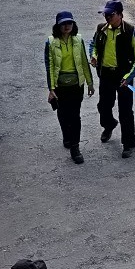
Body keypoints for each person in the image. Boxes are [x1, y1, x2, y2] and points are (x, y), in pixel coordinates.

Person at [89, 0, 135, 159]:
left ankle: (128, 144)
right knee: (103, 107)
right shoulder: (101, 29)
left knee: (125, 111)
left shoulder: (131, 31)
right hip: (106, 74)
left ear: (120, 15)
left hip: (124, 78)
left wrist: (129, 76)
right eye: (105, 14)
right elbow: (93, 44)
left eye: (110, 15)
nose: (107, 17)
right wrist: (94, 56)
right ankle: (109, 125)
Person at [43, 12, 95, 164]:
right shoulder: (50, 42)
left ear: (73, 25)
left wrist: (90, 83)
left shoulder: (78, 40)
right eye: (63, 24)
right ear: (58, 26)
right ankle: (66, 135)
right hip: (60, 86)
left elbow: (84, 62)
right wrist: (51, 88)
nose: (67, 26)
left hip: (76, 85)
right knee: (63, 114)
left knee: (75, 116)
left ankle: (75, 147)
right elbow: (50, 66)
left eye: (69, 23)